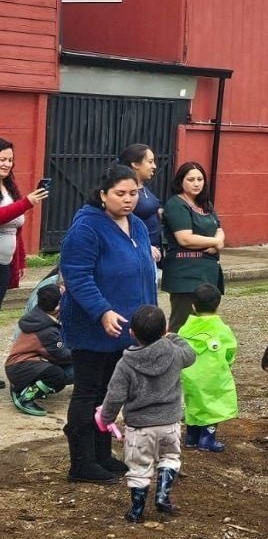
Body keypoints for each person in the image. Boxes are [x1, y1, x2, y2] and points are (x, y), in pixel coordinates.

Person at [60, 164, 158, 483]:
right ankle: (82, 462)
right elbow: (77, 276)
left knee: (110, 394)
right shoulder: (87, 228)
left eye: (134, 193)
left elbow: (145, 277)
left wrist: (151, 322)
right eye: (120, 194)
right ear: (103, 195)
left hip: (126, 330)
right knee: (88, 392)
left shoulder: (139, 226)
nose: (128, 200)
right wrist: (102, 310)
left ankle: (102, 454)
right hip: (92, 328)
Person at [98, 305, 196, 522]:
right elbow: (191, 355)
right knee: (170, 457)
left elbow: (115, 396)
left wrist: (106, 418)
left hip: (139, 428)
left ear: (131, 332)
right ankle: (162, 495)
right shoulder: (175, 353)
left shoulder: (125, 364)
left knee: (139, 467)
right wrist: (173, 337)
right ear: (165, 330)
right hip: (169, 423)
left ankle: (136, 511)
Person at [161, 162, 225, 332]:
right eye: (190, 179)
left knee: (204, 323)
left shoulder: (205, 204)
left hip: (207, 273)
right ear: (181, 181)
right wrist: (214, 242)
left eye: (200, 179)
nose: (196, 183)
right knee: (182, 324)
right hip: (185, 274)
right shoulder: (176, 204)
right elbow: (185, 238)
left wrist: (219, 241)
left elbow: (219, 228)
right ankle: (175, 357)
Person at [179, 283, 238, 452]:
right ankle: (207, 439)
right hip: (213, 375)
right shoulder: (222, 330)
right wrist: (226, 364)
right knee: (213, 406)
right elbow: (230, 351)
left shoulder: (185, 329)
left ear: (193, 306)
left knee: (194, 405)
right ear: (218, 305)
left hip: (190, 375)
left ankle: (191, 437)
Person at [7, 284, 73, 416]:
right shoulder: (46, 330)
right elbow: (61, 354)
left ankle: (23, 386)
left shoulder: (41, 316)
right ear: (57, 307)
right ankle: (25, 396)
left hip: (26, 364)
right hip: (21, 367)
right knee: (59, 375)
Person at [0, 136, 49, 309]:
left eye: (10, 160)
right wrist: (26, 203)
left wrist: (20, 261)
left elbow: (16, 228)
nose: (7, 164)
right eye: (2, 159)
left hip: (4, 264)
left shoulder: (9, 187)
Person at [119, 144, 163, 265]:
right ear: (135, 164)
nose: (154, 166)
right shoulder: (126, 194)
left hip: (151, 254)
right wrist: (144, 246)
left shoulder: (143, 188)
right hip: (136, 254)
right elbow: (120, 223)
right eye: (150, 162)